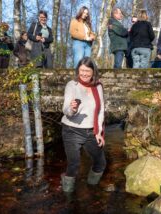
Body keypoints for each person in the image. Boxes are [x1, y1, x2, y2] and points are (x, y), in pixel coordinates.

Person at [61, 57, 106, 193]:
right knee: (74, 165)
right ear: (78, 70)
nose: (84, 74)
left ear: (93, 71)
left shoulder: (98, 86)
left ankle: (91, 190)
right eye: (81, 70)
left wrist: (99, 133)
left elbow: (101, 110)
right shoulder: (72, 85)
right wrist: (73, 109)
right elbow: (66, 111)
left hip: (91, 131)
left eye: (87, 71)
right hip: (71, 130)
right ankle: (68, 198)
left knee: (100, 163)